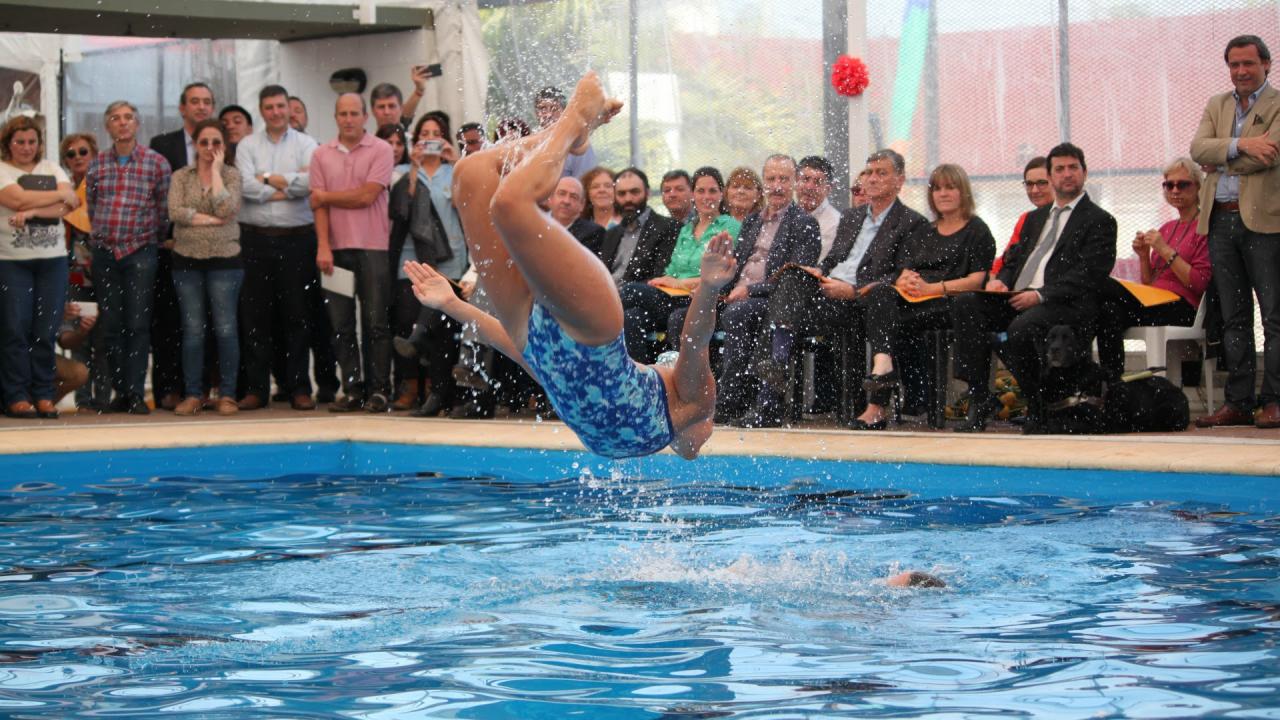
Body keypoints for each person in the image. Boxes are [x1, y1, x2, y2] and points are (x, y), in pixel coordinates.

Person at [409, 72, 726, 459]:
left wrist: (450, 304)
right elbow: (695, 339)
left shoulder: (583, 388)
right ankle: (575, 120)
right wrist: (709, 287)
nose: (706, 439)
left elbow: (520, 351)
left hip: (534, 339)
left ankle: (564, 131)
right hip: (595, 333)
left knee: (469, 175)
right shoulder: (696, 402)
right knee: (510, 205)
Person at [727, 150, 926, 427]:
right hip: (827, 292)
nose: (872, 179)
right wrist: (818, 272)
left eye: (882, 173)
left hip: (864, 300)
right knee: (792, 276)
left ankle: (772, 382)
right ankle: (775, 373)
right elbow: (833, 259)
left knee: (773, 301)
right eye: (869, 172)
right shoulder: (853, 217)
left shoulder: (912, 222)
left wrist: (853, 290)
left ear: (900, 180)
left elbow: (901, 277)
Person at [950, 142, 1117, 434]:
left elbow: (1090, 274)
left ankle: (1038, 402)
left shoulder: (1099, 221)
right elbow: (1014, 259)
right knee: (967, 304)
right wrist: (1001, 279)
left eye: (1073, 168)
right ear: (1051, 176)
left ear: (1085, 173)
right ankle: (980, 397)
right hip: (1019, 296)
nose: (1067, 175)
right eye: (1060, 169)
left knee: (1020, 330)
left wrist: (1041, 294)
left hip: (1063, 303)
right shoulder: (1034, 218)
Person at [849, 164, 995, 430]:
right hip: (917, 299)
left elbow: (976, 281)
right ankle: (878, 394)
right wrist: (904, 280)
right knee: (881, 293)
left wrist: (934, 288)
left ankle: (881, 397)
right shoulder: (924, 231)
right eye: (937, 188)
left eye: (950, 187)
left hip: (952, 303)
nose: (943, 194)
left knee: (895, 313)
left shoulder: (977, 230)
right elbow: (906, 268)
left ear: (963, 192)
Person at [1190, 34, 1280, 429]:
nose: (1241, 72)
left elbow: (1271, 155)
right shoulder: (1217, 104)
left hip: (1266, 222)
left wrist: (1223, 157)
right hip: (1221, 221)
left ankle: (1274, 400)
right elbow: (1197, 151)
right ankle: (1238, 401)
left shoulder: (1278, 105)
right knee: (1233, 317)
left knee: (1275, 317)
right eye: (1234, 65)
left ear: (1266, 65)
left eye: (1248, 64)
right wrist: (1243, 145)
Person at [708, 154, 822, 426]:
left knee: (739, 314)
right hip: (735, 295)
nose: (778, 185)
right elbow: (736, 266)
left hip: (773, 302)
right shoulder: (752, 221)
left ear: (794, 182)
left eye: (784, 178)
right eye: (771, 179)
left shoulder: (804, 223)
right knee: (682, 315)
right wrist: (710, 287)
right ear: (764, 184)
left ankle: (733, 401)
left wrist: (751, 290)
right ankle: (690, 398)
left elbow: (796, 277)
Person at [235, 84, 321, 411]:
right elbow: (246, 187)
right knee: (256, 317)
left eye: (280, 106)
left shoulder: (306, 144)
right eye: (269, 107)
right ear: (261, 110)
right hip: (255, 238)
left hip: (296, 239)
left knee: (297, 317)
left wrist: (266, 177)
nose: (275, 112)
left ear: (289, 108)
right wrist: (287, 183)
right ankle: (258, 389)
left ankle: (299, 387)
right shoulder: (246, 145)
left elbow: (310, 183)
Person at [86, 100, 171, 415]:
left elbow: (163, 212)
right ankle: (120, 392)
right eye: (115, 119)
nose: (122, 123)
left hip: (141, 251)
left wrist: (152, 239)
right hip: (105, 252)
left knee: (137, 324)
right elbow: (92, 208)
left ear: (137, 124)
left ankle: (136, 393)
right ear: (107, 126)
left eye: (128, 118)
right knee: (111, 325)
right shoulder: (96, 164)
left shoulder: (156, 163)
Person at [312, 93, 396, 413]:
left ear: (365, 117)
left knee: (376, 322)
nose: (349, 119)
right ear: (335, 117)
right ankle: (353, 389)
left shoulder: (382, 149)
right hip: (335, 252)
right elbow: (318, 207)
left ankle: (379, 390)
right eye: (343, 113)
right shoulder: (321, 154)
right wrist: (322, 245)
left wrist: (325, 196)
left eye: (354, 113)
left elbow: (366, 196)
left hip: (373, 249)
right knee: (341, 324)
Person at [1094, 159, 1212, 380]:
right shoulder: (1167, 227)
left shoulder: (1204, 227)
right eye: (1169, 185)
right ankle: (1112, 385)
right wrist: (1143, 257)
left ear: (1198, 187)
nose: (1175, 190)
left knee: (1101, 285)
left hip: (1184, 307)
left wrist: (1164, 249)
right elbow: (1150, 284)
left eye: (1183, 185)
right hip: (1157, 302)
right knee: (1107, 312)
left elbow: (1199, 283)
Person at [388, 111, 467, 416]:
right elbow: (400, 209)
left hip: (451, 259)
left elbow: (467, 203)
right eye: (425, 134)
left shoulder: (454, 171)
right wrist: (415, 167)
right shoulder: (403, 171)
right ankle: (420, 391)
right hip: (413, 259)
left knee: (443, 330)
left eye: (436, 133)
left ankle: (440, 394)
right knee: (411, 321)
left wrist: (456, 160)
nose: (430, 138)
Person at [621, 166, 741, 363]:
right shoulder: (686, 229)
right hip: (671, 297)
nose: (706, 197)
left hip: (700, 297)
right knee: (632, 317)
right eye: (701, 191)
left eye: (712, 191)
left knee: (632, 291)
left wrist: (680, 283)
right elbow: (672, 272)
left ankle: (592, 329)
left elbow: (722, 274)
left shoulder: (729, 226)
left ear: (722, 194)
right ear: (693, 194)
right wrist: (666, 281)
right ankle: (643, 382)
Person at [166, 119, 243, 416]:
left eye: (216, 142)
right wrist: (210, 220)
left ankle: (227, 394)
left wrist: (216, 174)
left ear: (224, 146)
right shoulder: (181, 177)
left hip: (225, 261)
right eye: (204, 143)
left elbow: (228, 208)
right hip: (187, 260)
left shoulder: (232, 175)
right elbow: (176, 212)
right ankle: (193, 393)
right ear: (195, 145)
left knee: (225, 329)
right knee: (193, 330)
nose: (210, 148)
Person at [0, 115, 74, 419]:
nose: (26, 147)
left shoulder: (51, 167)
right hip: (11, 261)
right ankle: (16, 394)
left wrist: (31, 211)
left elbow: (70, 206)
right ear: (8, 144)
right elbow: (15, 198)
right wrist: (57, 194)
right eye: (20, 142)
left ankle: (43, 394)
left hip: (52, 261)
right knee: (15, 329)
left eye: (31, 141)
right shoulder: (2, 169)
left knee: (45, 330)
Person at [150, 82, 215, 411]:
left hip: (213, 248)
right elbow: (158, 195)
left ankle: (201, 388)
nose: (201, 107)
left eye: (206, 102)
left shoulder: (221, 144)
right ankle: (167, 387)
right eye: (194, 102)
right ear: (182, 107)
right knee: (169, 320)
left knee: (206, 321)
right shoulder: (163, 145)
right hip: (171, 244)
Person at [59, 132, 108, 411]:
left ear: (94, 154)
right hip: (73, 272)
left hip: (105, 269)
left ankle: (102, 399)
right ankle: (83, 400)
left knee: (103, 338)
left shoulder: (104, 186)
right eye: (71, 154)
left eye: (83, 152)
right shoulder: (61, 189)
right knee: (78, 332)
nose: (77, 157)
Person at [595, 167, 679, 285]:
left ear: (647, 193)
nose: (628, 199)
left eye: (635, 192)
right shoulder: (611, 234)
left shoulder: (668, 228)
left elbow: (660, 278)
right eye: (621, 193)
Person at [992, 157, 1053, 276]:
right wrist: (993, 277)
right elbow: (1008, 257)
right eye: (1029, 184)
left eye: (1042, 183)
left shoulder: (1068, 217)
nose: (1034, 190)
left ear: (1056, 182)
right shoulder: (1026, 219)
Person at [534, 85, 596, 179]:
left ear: (564, 113)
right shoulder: (531, 144)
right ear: (536, 113)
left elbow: (586, 185)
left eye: (554, 109)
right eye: (543, 109)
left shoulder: (578, 145)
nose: (548, 114)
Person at [795, 156, 842, 264]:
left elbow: (816, 268)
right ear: (796, 182)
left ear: (828, 189)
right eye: (805, 179)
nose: (809, 187)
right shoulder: (785, 215)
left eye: (817, 182)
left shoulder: (836, 224)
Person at [370, 66, 431, 133]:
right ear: (373, 111)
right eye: (381, 107)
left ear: (401, 108)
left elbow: (406, 116)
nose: (387, 112)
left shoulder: (412, 141)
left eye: (391, 106)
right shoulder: (364, 142)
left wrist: (419, 90)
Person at [551, 175, 605, 248]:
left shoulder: (593, 233)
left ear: (582, 205)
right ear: (551, 198)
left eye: (573, 197)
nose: (566, 201)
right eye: (562, 193)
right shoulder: (537, 225)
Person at [581, 166, 620, 230]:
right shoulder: (580, 227)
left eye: (608, 186)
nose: (602, 190)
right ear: (587, 193)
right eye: (595, 187)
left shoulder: (627, 225)